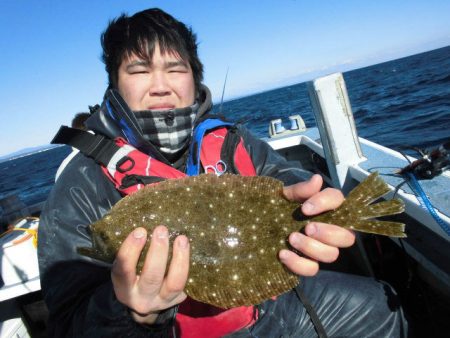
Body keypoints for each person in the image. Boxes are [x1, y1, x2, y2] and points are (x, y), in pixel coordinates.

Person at [38, 8, 407, 337]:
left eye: (175, 69)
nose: (161, 85)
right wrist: (132, 313)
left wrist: (313, 201)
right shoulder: (80, 185)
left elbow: (283, 177)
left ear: (194, 78)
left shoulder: (231, 140)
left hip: (270, 304)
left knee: (379, 304)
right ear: (115, 85)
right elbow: (68, 323)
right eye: (139, 70)